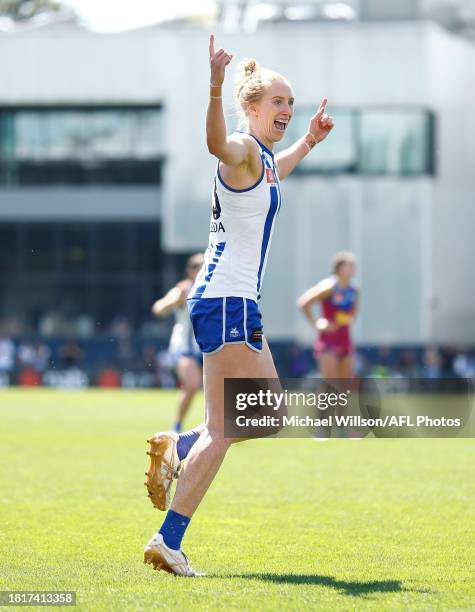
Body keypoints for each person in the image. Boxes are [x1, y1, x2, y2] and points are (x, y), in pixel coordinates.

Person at [143, 34, 334, 576]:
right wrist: (212, 86)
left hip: (229, 301)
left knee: (264, 414)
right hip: (226, 299)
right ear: (251, 107)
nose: (288, 111)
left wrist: (311, 141)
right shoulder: (244, 149)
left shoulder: (266, 160)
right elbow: (216, 145)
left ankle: (179, 446)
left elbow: (279, 169)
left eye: (291, 104)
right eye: (278, 102)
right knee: (228, 425)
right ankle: (168, 539)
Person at [150, 253, 205, 432]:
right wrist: (172, 302)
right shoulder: (183, 289)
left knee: (217, 391)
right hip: (185, 347)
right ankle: (177, 426)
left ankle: (215, 429)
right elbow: (158, 308)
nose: (200, 269)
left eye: (203, 265)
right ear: (189, 270)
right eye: (195, 266)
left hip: (209, 348)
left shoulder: (215, 289)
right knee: (191, 385)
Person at [297, 252, 358, 380]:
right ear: (339, 268)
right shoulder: (328, 286)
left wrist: (346, 319)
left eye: (354, 265)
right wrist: (317, 323)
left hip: (345, 338)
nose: (353, 268)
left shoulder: (354, 290)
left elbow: (354, 313)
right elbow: (303, 303)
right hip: (329, 339)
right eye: (350, 265)